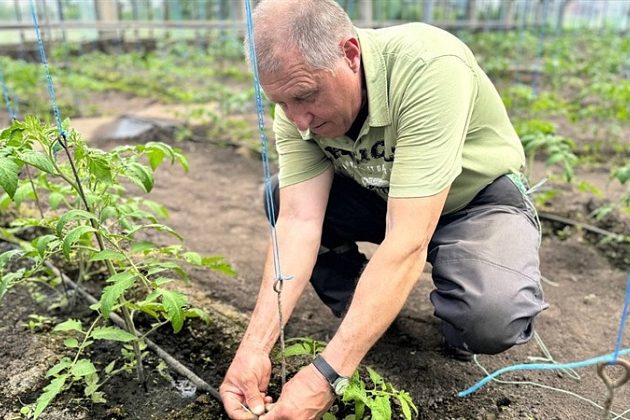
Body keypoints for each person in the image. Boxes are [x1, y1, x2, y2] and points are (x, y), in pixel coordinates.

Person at [220, 0, 548, 418]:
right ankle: (365, 309)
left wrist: (326, 377)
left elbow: (407, 240)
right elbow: (299, 223)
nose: (298, 119)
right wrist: (253, 352)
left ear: (351, 54)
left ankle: (458, 317)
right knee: (281, 196)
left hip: (473, 201)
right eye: (282, 103)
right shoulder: (296, 104)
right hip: (381, 192)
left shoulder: (427, 67)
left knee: (489, 316)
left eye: (306, 96)